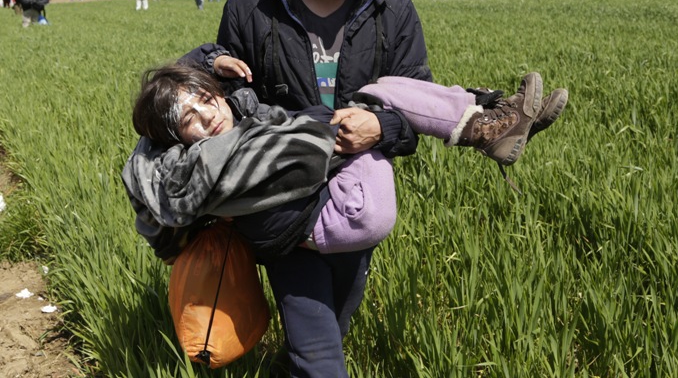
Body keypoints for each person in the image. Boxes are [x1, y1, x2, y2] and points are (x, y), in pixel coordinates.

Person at [181, 0, 567, 376]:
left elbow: (414, 107)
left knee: (328, 334)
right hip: (282, 199)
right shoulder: (254, 5)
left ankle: (487, 118)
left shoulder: (392, 7)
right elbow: (218, 97)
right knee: (319, 355)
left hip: (356, 198)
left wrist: (379, 127)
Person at [123, 61, 567, 260]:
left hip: (326, 212)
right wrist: (368, 125)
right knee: (376, 101)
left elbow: (289, 126)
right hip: (347, 215)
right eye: (189, 119)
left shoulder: (231, 126)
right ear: (174, 138)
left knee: (381, 94)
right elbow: (298, 144)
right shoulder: (200, 166)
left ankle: (489, 117)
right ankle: (488, 124)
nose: (208, 115)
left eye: (206, 99)